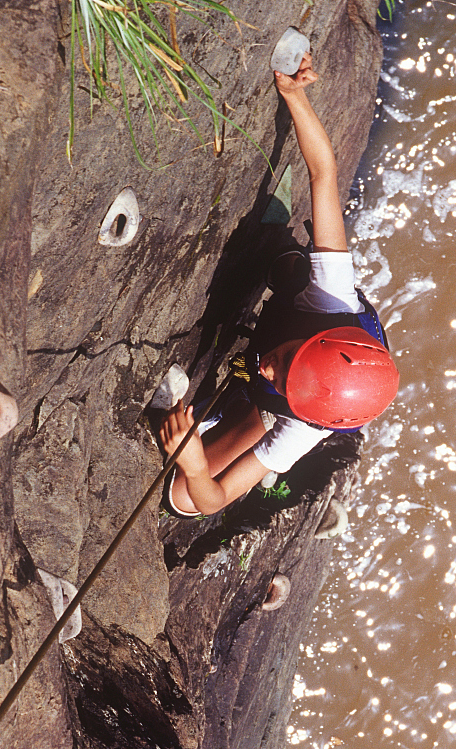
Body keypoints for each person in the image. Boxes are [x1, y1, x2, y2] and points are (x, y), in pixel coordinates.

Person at [158, 52, 399, 518]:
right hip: (302, 302)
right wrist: (294, 94)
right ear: (318, 339)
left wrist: (193, 467)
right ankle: (286, 263)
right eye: (285, 362)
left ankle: (238, 415)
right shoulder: (333, 297)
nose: (269, 369)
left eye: (284, 381)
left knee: (183, 500)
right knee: (289, 271)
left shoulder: (305, 427)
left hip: (273, 409)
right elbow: (323, 174)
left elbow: (213, 501)